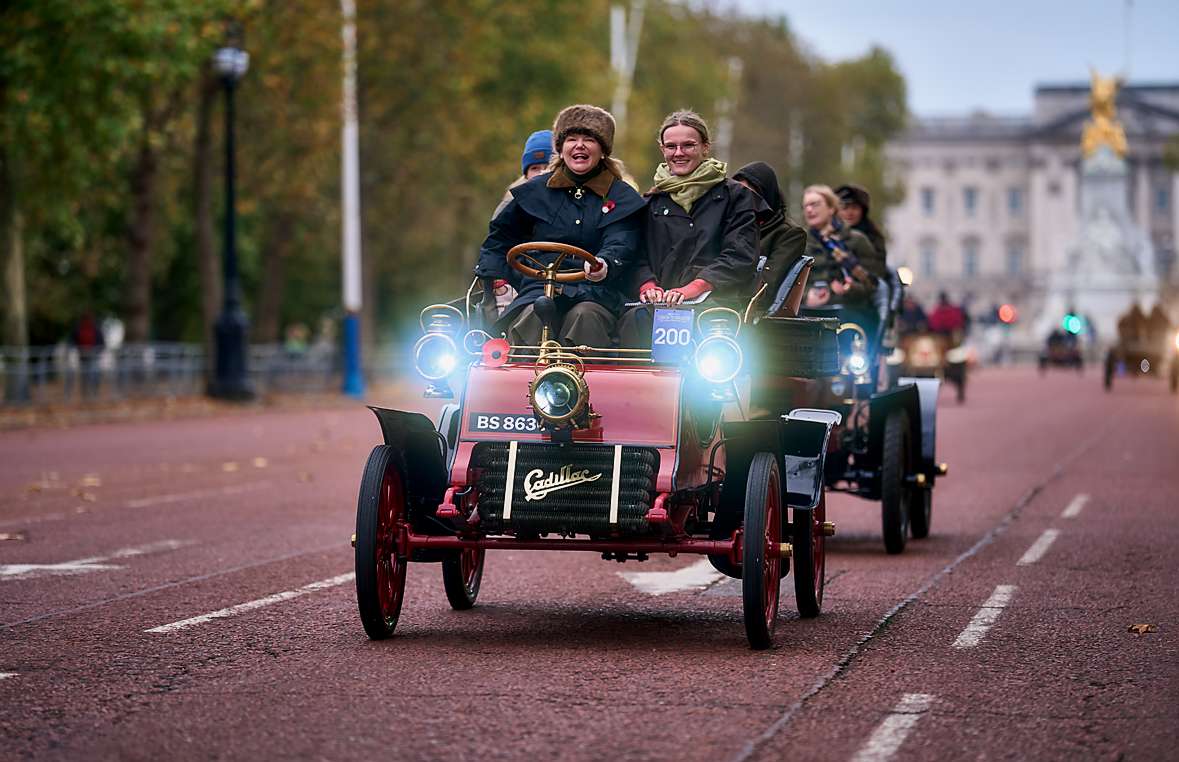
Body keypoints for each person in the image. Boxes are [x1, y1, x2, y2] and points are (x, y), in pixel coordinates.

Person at [474, 105, 644, 349]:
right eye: (572, 139)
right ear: (561, 148)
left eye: (589, 139)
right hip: (536, 289)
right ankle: (524, 380)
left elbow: (622, 241)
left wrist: (604, 263)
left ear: (603, 150)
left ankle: (584, 383)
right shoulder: (533, 192)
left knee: (585, 317)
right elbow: (499, 240)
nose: (579, 146)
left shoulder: (621, 196)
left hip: (595, 292)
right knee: (532, 315)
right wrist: (498, 282)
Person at [619, 110, 762, 347]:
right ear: (662, 149)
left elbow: (740, 255)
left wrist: (694, 288)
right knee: (630, 322)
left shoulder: (736, 197)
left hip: (715, 305)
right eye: (671, 146)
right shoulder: (650, 203)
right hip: (657, 307)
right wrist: (648, 286)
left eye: (688, 145)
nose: (678, 153)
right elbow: (636, 255)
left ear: (705, 147)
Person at [732, 161, 806, 312]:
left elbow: (766, 285)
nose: (741, 200)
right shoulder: (730, 227)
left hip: (749, 313)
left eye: (748, 194)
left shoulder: (789, 235)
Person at [800, 184, 877, 309]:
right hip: (808, 314)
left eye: (815, 204)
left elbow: (873, 285)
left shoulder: (857, 240)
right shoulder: (799, 242)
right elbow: (787, 283)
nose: (809, 210)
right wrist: (806, 296)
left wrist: (850, 288)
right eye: (805, 206)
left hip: (850, 314)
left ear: (831, 208)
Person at [835, 183, 888, 278]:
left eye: (855, 208)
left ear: (863, 211)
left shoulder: (873, 236)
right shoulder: (827, 233)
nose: (850, 212)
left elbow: (878, 269)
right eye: (845, 208)